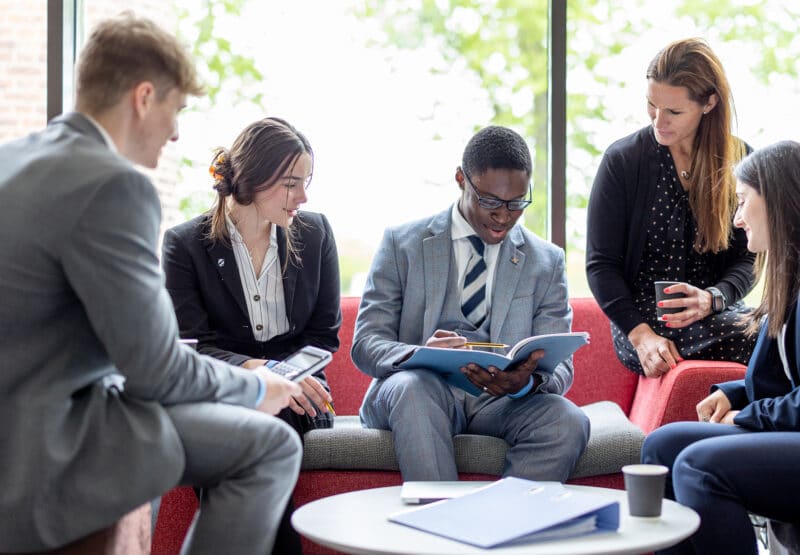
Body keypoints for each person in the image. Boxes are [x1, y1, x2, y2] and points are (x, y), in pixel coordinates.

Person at [0, 12, 318, 554]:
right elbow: (155, 370)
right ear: (144, 97)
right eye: (175, 111)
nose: (175, 133)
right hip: (43, 443)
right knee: (270, 447)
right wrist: (261, 388)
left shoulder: (14, 159)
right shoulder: (113, 186)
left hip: (27, 405)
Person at [352, 125, 590, 482]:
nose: (503, 216)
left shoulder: (546, 261)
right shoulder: (403, 245)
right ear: (461, 179)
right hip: (416, 390)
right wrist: (418, 354)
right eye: (491, 201)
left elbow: (561, 368)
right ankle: (439, 526)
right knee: (414, 388)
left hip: (501, 401)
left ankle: (503, 527)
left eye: (516, 204)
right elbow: (366, 344)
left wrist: (522, 385)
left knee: (567, 421)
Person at [162, 116, 340, 554]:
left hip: (304, 388)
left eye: (306, 182)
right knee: (240, 419)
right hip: (225, 385)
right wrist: (259, 372)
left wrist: (286, 375)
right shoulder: (185, 245)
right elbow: (193, 347)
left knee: (263, 417)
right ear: (255, 178)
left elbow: (324, 337)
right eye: (291, 183)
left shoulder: (316, 234)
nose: (303, 196)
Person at [641, 140, 800, 555]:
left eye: (744, 201)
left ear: (780, 203)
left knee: (700, 467)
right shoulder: (788, 280)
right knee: (662, 445)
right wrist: (734, 393)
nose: (738, 218)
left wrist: (746, 417)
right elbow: (789, 376)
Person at [586, 37, 756, 378]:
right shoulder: (622, 161)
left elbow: (749, 257)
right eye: (652, 105)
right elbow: (601, 266)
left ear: (709, 103)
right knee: (765, 338)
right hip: (641, 322)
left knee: (780, 327)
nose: (658, 121)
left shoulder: (739, 161)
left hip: (716, 311)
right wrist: (641, 336)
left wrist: (714, 298)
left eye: (674, 111)